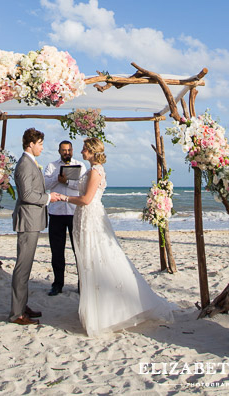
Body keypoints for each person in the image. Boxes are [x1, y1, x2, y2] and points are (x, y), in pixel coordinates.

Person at [61, 137, 177, 336]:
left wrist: (63, 197)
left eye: (84, 149)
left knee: (97, 261)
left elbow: (87, 199)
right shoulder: (91, 170)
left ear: (91, 151)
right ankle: (94, 310)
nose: (81, 152)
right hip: (84, 218)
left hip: (91, 219)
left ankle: (106, 313)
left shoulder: (96, 171)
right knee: (90, 262)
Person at [9, 128, 61, 325]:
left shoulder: (31, 163)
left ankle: (22, 306)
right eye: (39, 143)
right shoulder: (24, 164)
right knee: (22, 268)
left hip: (33, 220)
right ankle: (16, 313)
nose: (41, 147)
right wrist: (49, 198)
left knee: (27, 266)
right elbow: (27, 195)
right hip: (28, 221)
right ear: (30, 144)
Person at [44, 140, 86, 296]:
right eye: (63, 150)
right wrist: (58, 178)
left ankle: (82, 284)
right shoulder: (51, 166)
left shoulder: (80, 165)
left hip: (74, 212)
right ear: (59, 151)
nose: (66, 152)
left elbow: (83, 186)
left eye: (69, 150)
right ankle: (57, 284)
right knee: (57, 251)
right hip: (56, 213)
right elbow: (45, 185)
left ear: (72, 150)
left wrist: (67, 181)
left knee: (79, 251)